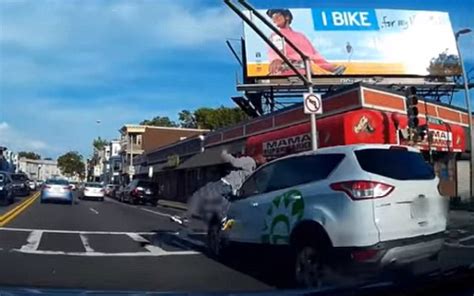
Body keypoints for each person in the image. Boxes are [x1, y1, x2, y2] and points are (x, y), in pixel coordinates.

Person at [171, 150, 266, 225]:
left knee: (201, 194)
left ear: (257, 156)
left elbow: (235, 162)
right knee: (221, 200)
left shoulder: (249, 160)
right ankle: (222, 218)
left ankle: (185, 217)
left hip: (226, 183)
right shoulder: (254, 168)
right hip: (233, 186)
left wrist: (225, 154)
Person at [266, 9, 346, 76]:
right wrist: (276, 60)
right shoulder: (276, 35)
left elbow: (315, 56)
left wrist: (331, 68)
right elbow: (274, 52)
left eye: (277, 15)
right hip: (285, 76)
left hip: (305, 76)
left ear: (287, 17)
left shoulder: (300, 36)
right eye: (273, 17)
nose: (274, 19)